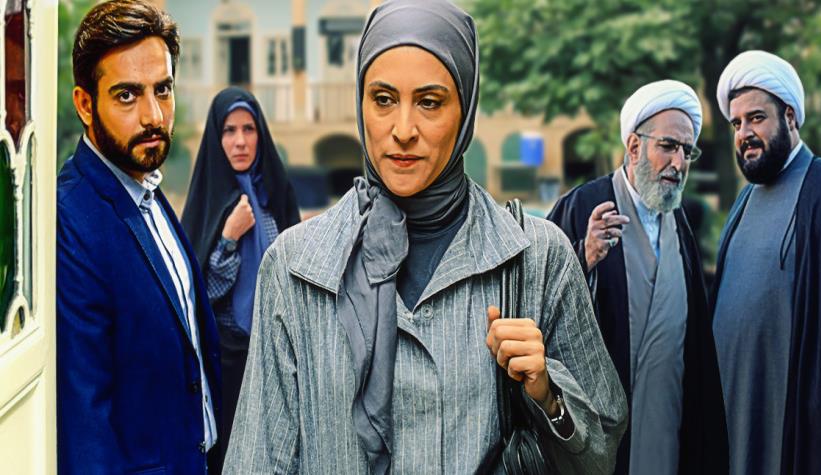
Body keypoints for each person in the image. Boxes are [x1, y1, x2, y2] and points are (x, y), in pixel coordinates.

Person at [223, 1, 627, 473]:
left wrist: (546, 393)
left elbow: (602, 447)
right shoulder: (296, 268)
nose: (403, 130)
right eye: (383, 99)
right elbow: (259, 459)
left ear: (466, 110)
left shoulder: (537, 259)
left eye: (430, 102)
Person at [56, 1, 221, 473]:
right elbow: (86, 421)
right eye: (127, 95)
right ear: (85, 105)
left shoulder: (144, 185)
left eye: (162, 90)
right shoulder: (73, 217)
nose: (153, 116)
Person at [547, 80, 728, 475]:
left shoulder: (681, 222)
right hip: (600, 440)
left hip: (669, 426)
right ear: (633, 147)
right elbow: (535, 300)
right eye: (668, 146)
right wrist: (584, 255)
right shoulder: (583, 205)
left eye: (686, 151)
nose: (679, 163)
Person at [712, 50, 821, 475]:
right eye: (737, 123)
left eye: (756, 118)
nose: (744, 133)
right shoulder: (743, 201)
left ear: (789, 117)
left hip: (790, 432)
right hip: (734, 419)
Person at [181, 86, 301, 458]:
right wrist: (229, 238)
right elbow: (200, 295)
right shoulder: (208, 203)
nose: (240, 141)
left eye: (249, 129)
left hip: (277, 353)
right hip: (227, 360)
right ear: (217, 139)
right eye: (229, 131)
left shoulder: (275, 198)